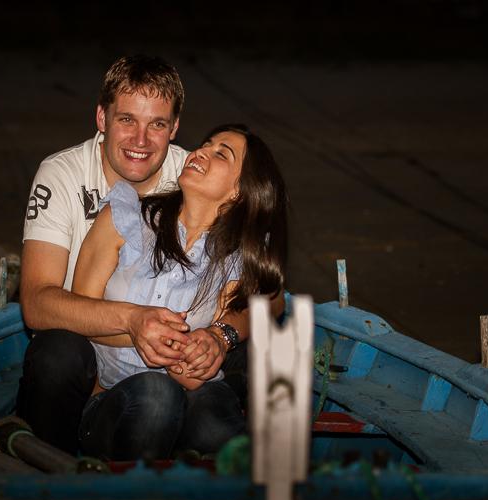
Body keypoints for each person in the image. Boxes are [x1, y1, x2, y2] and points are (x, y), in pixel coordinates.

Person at [16, 55, 260, 454]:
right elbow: (37, 303)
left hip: (180, 352)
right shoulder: (61, 174)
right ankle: (48, 466)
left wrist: (221, 335)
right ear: (102, 118)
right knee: (58, 352)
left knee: (255, 352)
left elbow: (267, 290)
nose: (141, 140)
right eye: (127, 120)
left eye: (157, 124)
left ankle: (223, 473)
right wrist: (132, 320)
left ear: (174, 128)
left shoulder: (193, 172)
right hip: (85, 345)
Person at [70, 124, 287, 460]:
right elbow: (78, 317)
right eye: (206, 144)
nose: (201, 152)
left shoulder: (233, 262)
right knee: (157, 396)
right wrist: (138, 329)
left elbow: (193, 375)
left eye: (221, 154)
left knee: (212, 420)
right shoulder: (126, 216)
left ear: (239, 192)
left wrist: (197, 351)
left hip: (187, 403)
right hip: (108, 403)